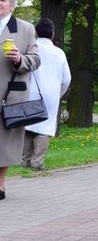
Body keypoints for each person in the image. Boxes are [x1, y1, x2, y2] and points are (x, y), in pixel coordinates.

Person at [0, 0, 40, 201]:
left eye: (2, 0)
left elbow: (35, 60)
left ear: (12, 5)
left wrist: (19, 59)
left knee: (4, 143)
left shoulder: (25, 29)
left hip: (10, 94)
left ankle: (1, 185)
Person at [21, 18, 71, 171]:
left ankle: (24, 160)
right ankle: (38, 162)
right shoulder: (59, 53)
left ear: (35, 32)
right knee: (44, 128)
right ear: (53, 34)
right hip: (50, 94)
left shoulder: (30, 49)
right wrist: (58, 94)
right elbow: (66, 79)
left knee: (28, 127)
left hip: (30, 92)